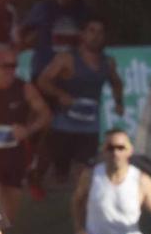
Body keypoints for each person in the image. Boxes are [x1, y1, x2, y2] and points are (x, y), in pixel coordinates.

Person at [34, 18, 124, 186]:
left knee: (84, 173)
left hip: (90, 126)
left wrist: (119, 102)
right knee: (54, 170)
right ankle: (37, 181)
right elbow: (43, 80)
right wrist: (60, 94)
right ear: (83, 34)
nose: (96, 36)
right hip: (62, 125)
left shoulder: (108, 62)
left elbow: (117, 82)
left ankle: (81, 204)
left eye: (100, 32)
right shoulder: (66, 58)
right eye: (91, 31)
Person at [0, 42, 52, 221]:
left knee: (8, 216)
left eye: (14, 66)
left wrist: (28, 130)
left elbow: (45, 115)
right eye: (6, 66)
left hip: (15, 158)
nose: (10, 70)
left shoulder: (25, 89)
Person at [21, 0, 87, 77]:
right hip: (43, 73)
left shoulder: (84, 12)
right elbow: (24, 35)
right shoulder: (43, 8)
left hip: (72, 76)